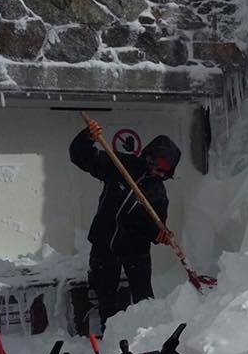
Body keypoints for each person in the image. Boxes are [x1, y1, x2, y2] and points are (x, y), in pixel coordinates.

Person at [69, 120, 181, 331]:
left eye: (166, 169)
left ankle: (148, 335)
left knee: (144, 298)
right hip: (104, 245)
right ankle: (112, 336)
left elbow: (153, 227)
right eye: (159, 163)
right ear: (149, 155)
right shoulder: (121, 165)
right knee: (106, 298)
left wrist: (159, 234)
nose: (160, 171)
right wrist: (87, 138)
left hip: (135, 250)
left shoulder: (158, 193)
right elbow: (81, 157)